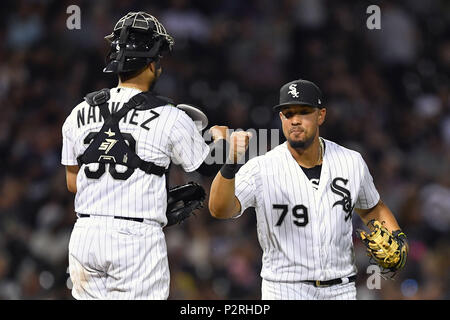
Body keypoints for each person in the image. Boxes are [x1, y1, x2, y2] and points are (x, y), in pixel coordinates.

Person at [61, 12, 224, 300]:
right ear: (152, 63)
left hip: (84, 236)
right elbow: (206, 166)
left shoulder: (78, 113)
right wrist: (222, 142)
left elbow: (74, 184)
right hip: (135, 240)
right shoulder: (170, 116)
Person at [208, 79, 408, 300]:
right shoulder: (261, 168)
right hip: (285, 289)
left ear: (320, 115)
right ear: (282, 118)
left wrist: (397, 235)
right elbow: (219, 209)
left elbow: (372, 208)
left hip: (341, 290)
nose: (295, 120)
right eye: (288, 113)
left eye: (303, 112)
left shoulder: (351, 161)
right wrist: (230, 164)